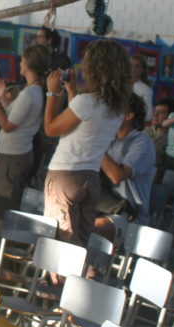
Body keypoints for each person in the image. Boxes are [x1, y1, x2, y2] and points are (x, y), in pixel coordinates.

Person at [43, 39, 130, 245]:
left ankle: (58, 278)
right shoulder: (116, 108)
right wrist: (73, 91)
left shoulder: (87, 102)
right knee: (81, 240)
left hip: (65, 175)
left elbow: (51, 129)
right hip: (90, 177)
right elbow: (84, 126)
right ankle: (81, 276)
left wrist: (52, 94)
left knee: (61, 241)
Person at [0, 44, 49, 223]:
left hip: (13, 156)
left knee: (5, 206)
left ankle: (4, 245)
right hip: (15, 154)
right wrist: (2, 98)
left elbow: (8, 125)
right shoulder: (34, 92)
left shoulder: (29, 94)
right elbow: (13, 118)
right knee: (5, 202)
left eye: (23, 60)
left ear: (30, 64)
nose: (20, 64)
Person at [94, 93, 156, 242]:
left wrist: (96, 144)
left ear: (128, 116)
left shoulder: (142, 144)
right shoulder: (109, 138)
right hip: (102, 204)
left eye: (114, 110)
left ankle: (94, 265)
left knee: (92, 227)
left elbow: (117, 175)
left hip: (130, 215)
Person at [143, 98, 174, 178]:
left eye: (161, 113)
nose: (155, 115)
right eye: (155, 111)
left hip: (157, 178)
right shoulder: (143, 132)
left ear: (171, 117)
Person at [130, 54, 154, 122]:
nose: (133, 68)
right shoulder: (119, 84)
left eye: (137, 66)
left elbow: (148, 116)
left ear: (142, 70)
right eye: (131, 64)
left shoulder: (146, 90)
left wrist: (131, 117)